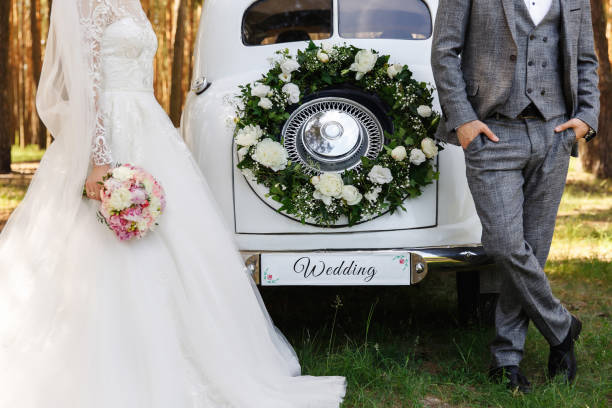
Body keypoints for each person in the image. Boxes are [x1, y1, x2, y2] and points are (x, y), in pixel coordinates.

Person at [0, 0, 346, 406]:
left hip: (147, 124)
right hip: (109, 130)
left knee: (178, 241)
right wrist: (98, 159)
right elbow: (84, 82)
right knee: (97, 247)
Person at [431, 0, 599, 393]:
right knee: (505, 246)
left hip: (554, 132)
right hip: (492, 132)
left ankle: (507, 358)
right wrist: (464, 120)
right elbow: (444, 51)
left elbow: (587, 60)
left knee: (533, 251)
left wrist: (587, 118)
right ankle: (561, 327)